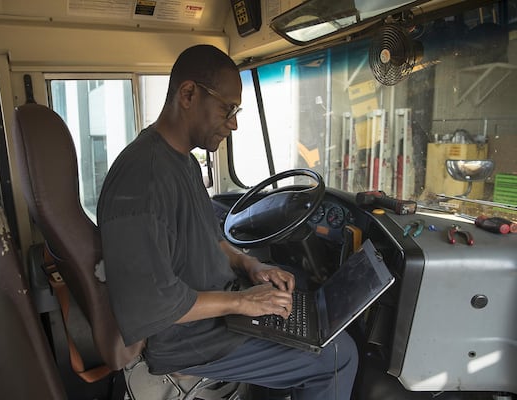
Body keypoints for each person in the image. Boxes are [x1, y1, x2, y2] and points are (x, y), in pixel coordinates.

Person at [97, 44, 358, 400]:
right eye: (227, 108)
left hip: (216, 314)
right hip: (187, 339)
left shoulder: (184, 162)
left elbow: (213, 240)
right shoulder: (142, 181)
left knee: (302, 301)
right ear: (188, 94)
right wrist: (243, 304)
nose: (233, 122)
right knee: (337, 356)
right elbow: (154, 305)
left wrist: (252, 265)